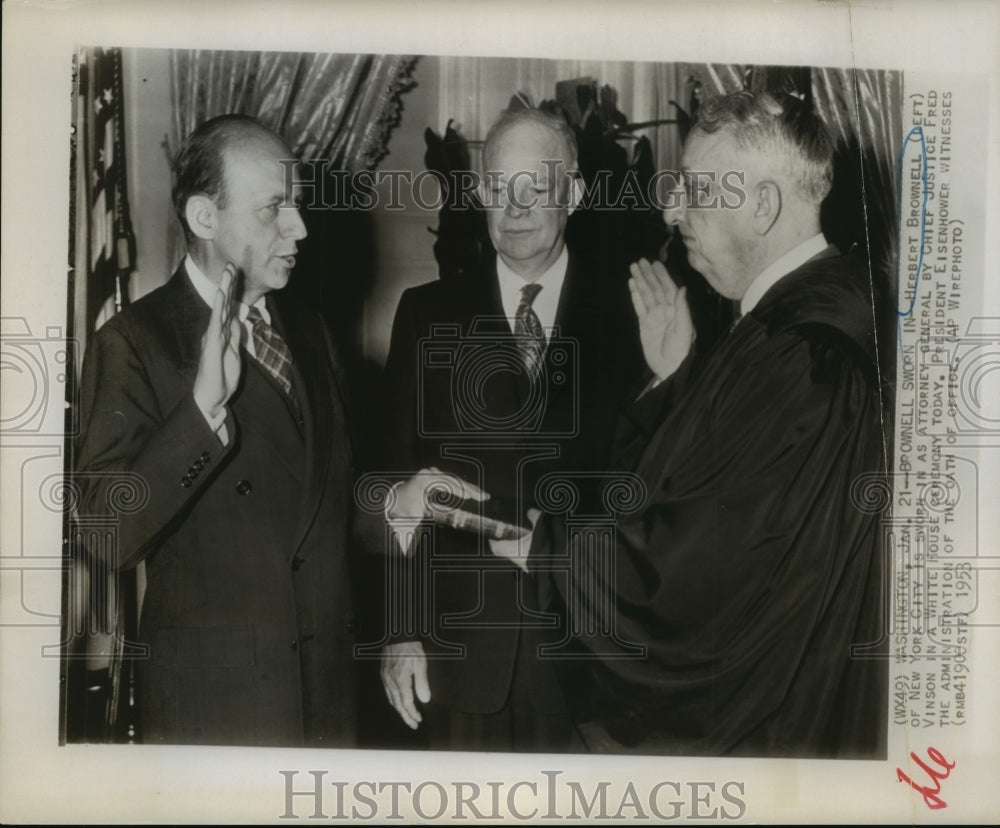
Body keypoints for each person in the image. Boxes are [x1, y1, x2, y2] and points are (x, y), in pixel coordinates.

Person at [493, 90, 890, 758]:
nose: (672, 210)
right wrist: (677, 379)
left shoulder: (804, 353)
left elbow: (701, 578)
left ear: (762, 207)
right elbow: (724, 491)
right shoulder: (818, 312)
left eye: (698, 190)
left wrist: (552, 547)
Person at [75, 114, 364, 747]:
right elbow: (104, 534)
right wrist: (204, 409)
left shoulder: (311, 331)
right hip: (215, 707)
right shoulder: (132, 342)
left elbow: (334, 504)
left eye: (298, 205)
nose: (301, 228)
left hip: (328, 700)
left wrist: (397, 502)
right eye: (273, 210)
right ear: (205, 218)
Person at [378, 108, 642, 751]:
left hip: (594, 663)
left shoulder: (638, 315)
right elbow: (391, 484)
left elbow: (656, 494)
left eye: (537, 187)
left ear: (574, 195)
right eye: (499, 188)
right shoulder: (426, 315)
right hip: (457, 665)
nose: (516, 208)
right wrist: (400, 630)